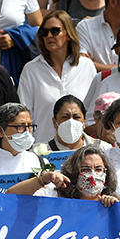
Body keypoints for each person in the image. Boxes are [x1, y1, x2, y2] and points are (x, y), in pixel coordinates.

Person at [19, 11, 97, 144]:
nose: (49, 36)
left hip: (81, 152)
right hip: (43, 152)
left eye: (55, 31)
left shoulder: (86, 66)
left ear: (68, 34)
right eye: (44, 32)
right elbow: (24, 115)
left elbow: (92, 114)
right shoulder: (31, 69)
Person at [8, 144, 120, 207]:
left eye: (98, 169)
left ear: (106, 174)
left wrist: (115, 207)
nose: (92, 175)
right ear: (74, 173)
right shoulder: (54, 197)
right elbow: (9, 196)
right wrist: (43, 179)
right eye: (85, 169)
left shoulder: (112, 203)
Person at [45, 95, 112, 153]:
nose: (71, 122)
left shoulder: (103, 148)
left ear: (84, 122)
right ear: (54, 122)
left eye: (76, 117)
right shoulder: (42, 152)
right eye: (65, 117)